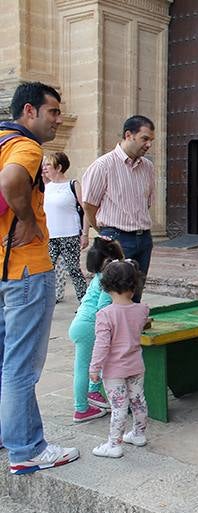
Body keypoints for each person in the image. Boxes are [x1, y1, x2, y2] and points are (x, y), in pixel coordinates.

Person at [1, 81, 80, 474]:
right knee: (21, 364)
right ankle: (27, 448)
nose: (58, 120)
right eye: (53, 112)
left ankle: (8, 434)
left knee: (4, 359)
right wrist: (30, 221)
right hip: (26, 269)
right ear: (29, 111)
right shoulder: (27, 147)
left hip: (2, 267)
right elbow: (12, 181)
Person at [82, 115, 156, 302]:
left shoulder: (148, 167)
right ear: (128, 135)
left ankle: (131, 330)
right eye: (145, 139)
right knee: (111, 298)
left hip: (144, 239)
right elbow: (89, 205)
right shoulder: (103, 165)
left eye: (151, 140)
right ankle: (105, 331)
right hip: (115, 239)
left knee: (135, 294)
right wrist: (103, 231)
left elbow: (147, 202)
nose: (149, 145)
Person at [89, 259, 150, 458]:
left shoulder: (105, 315)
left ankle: (114, 444)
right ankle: (139, 434)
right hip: (136, 365)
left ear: (107, 287)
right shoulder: (142, 310)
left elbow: (101, 345)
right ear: (134, 285)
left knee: (119, 406)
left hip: (114, 370)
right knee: (138, 401)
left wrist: (94, 368)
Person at [68, 237, 124, 422]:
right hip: (88, 327)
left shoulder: (99, 277)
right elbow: (103, 309)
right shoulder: (108, 281)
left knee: (96, 362)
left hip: (82, 323)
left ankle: (93, 393)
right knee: (84, 368)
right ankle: (81, 409)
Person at [42, 152, 88, 302]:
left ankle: (84, 302)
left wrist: (85, 234)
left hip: (70, 234)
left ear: (59, 167)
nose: (45, 167)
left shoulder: (73, 184)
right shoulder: (45, 186)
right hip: (49, 237)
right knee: (46, 271)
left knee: (74, 270)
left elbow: (85, 210)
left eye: (48, 164)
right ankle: (44, 301)